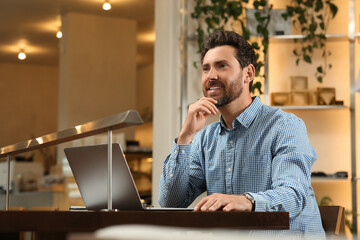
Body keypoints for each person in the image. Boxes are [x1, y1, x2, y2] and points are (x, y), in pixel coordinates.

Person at [158, 30, 325, 237]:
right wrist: (185, 137)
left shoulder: (285, 126)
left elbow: (293, 195)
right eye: (206, 68)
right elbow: (171, 201)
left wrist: (246, 200)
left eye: (222, 66)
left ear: (249, 74)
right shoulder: (204, 139)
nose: (211, 75)